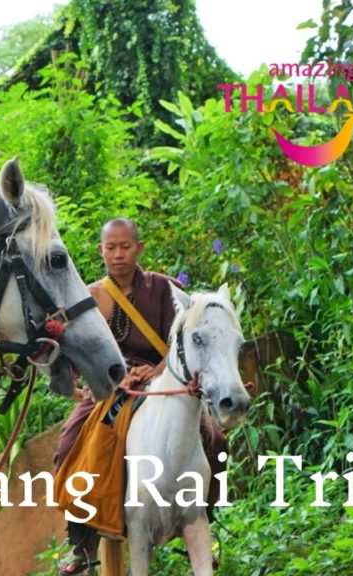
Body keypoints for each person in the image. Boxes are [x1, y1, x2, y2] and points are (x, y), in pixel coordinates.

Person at [53, 218, 226, 575]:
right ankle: (82, 543)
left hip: (165, 379)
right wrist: (87, 381)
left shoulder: (165, 289)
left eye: (125, 246)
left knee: (216, 440)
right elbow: (76, 349)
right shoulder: (91, 297)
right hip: (112, 387)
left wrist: (160, 367)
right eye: (111, 248)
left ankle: (207, 522)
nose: (118, 255)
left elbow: (186, 337)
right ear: (101, 250)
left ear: (139, 248)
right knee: (69, 447)